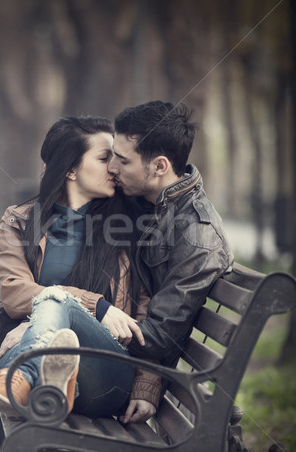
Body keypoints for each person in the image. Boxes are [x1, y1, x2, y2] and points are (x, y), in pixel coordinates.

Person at [0, 116, 160, 452]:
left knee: (54, 300)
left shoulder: (129, 224)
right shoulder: (22, 219)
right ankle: (25, 371)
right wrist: (88, 308)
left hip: (105, 373)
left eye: (115, 158)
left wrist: (147, 386)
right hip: (46, 362)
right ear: (71, 170)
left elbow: (149, 314)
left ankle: (18, 373)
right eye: (104, 158)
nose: (113, 167)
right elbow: (14, 294)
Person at [107, 100, 234, 367]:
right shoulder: (148, 203)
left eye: (123, 160)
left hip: (139, 367)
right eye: (112, 156)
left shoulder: (197, 234)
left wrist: (91, 314)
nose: (112, 168)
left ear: (160, 167)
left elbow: (159, 337)